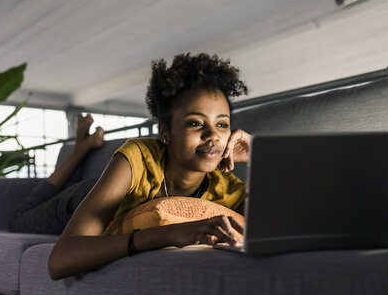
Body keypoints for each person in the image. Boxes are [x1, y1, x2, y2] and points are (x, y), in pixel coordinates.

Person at [47, 53, 252, 280]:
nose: (213, 135)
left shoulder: (227, 188)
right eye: (195, 123)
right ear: (164, 132)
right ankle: (81, 149)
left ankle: (82, 147)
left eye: (222, 124)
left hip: (103, 190)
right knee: (23, 212)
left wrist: (260, 155)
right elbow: (59, 261)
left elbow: (288, 226)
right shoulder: (136, 158)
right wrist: (166, 234)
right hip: (73, 201)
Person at [8, 114, 104, 235]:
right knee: (64, 190)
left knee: (17, 222)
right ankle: (81, 147)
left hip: (88, 196)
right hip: (88, 195)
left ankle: (81, 147)